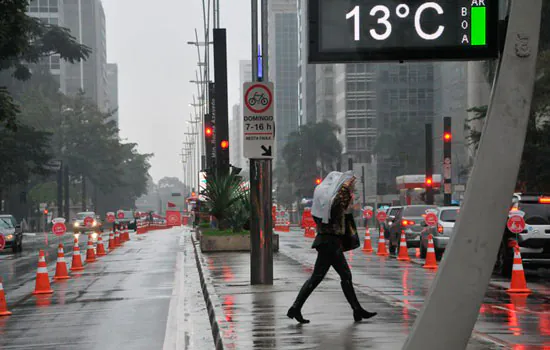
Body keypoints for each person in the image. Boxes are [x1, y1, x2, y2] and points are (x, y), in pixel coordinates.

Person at [287, 171, 377, 324]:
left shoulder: (322, 206)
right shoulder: (335, 202)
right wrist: (347, 194)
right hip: (330, 243)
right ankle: (296, 308)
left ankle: (357, 310)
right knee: (334, 276)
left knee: (338, 276)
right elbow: (341, 208)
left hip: (326, 242)